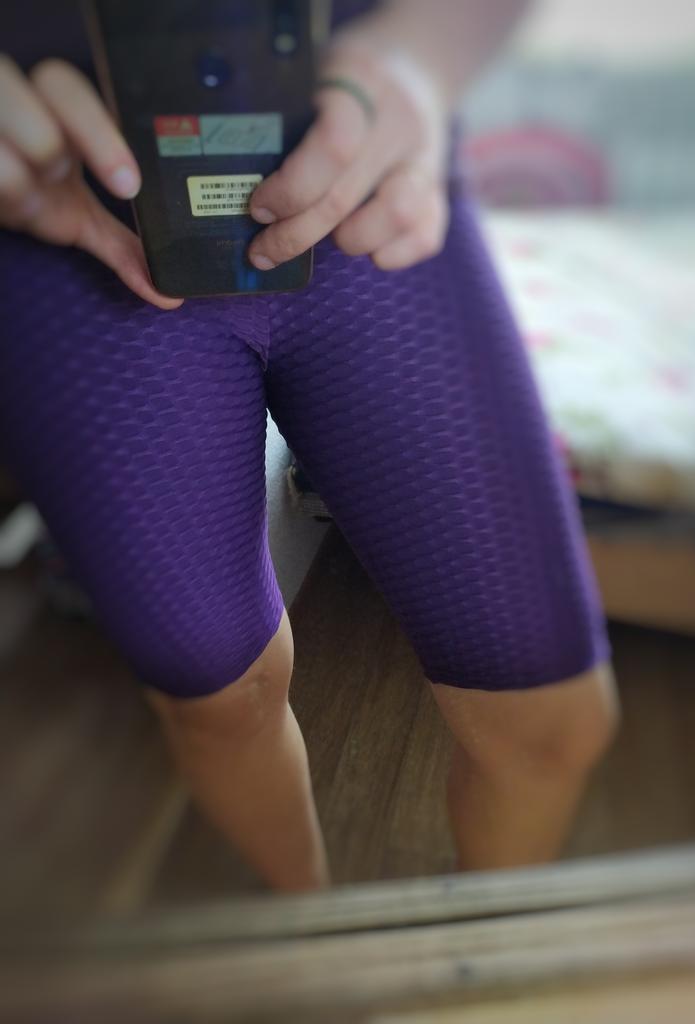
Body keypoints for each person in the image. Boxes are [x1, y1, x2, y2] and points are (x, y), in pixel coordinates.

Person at [0, 0, 619, 891]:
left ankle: (469, 957)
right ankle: (306, 926)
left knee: (552, 722)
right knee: (218, 693)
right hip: (52, 202)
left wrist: (425, 56)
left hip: (362, 152)